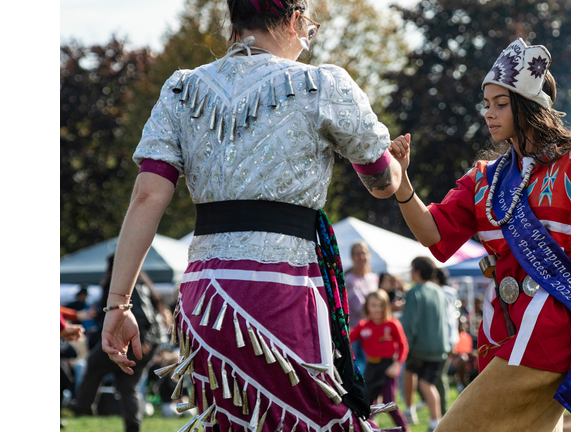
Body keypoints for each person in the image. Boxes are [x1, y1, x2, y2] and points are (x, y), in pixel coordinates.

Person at [100, 0, 406, 430]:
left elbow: (147, 196)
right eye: (309, 29)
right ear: (295, 20)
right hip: (283, 289)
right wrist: (395, 165)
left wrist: (119, 303)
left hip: (205, 299)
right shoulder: (322, 84)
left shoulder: (181, 88)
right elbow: (382, 180)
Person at [388, 38, 571, 431]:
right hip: (499, 334)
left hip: (547, 334)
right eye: (486, 103)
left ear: (528, 105)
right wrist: (400, 182)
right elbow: (432, 232)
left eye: (500, 103)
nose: (488, 113)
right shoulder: (485, 180)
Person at [69, 255, 166, 432]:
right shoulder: (138, 282)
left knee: (94, 363)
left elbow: (140, 312)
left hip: (137, 340)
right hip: (145, 341)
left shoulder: (129, 284)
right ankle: (133, 426)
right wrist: (98, 314)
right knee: (127, 386)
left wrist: (144, 338)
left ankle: (83, 405)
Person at [400, 257, 450, 432]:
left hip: (419, 347)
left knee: (414, 375)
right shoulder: (439, 291)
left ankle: (409, 409)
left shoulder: (414, 292)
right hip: (440, 347)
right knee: (428, 383)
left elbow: (409, 324)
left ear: (418, 272)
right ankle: (435, 422)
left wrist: (405, 346)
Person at [349, 290, 410, 431]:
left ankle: (405, 429)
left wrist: (397, 364)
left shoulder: (393, 324)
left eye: (380, 305)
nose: (377, 309)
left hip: (388, 366)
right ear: (367, 307)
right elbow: (347, 339)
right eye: (373, 305)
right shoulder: (363, 325)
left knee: (389, 402)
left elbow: (403, 345)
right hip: (371, 367)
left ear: (386, 307)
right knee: (366, 403)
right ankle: (366, 428)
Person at [346, 241, 380, 374]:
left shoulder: (373, 278)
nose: (361, 257)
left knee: (372, 368)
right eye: (357, 254)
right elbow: (359, 306)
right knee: (356, 369)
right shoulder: (348, 279)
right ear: (352, 257)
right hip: (354, 330)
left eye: (364, 253)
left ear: (369, 255)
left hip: (372, 329)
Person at [433, 268, 459, 417]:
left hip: (445, 340)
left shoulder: (442, 294)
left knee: (440, 377)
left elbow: (447, 320)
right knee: (439, 377)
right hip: (450, 339)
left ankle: (443, 412)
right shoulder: (450, 293)